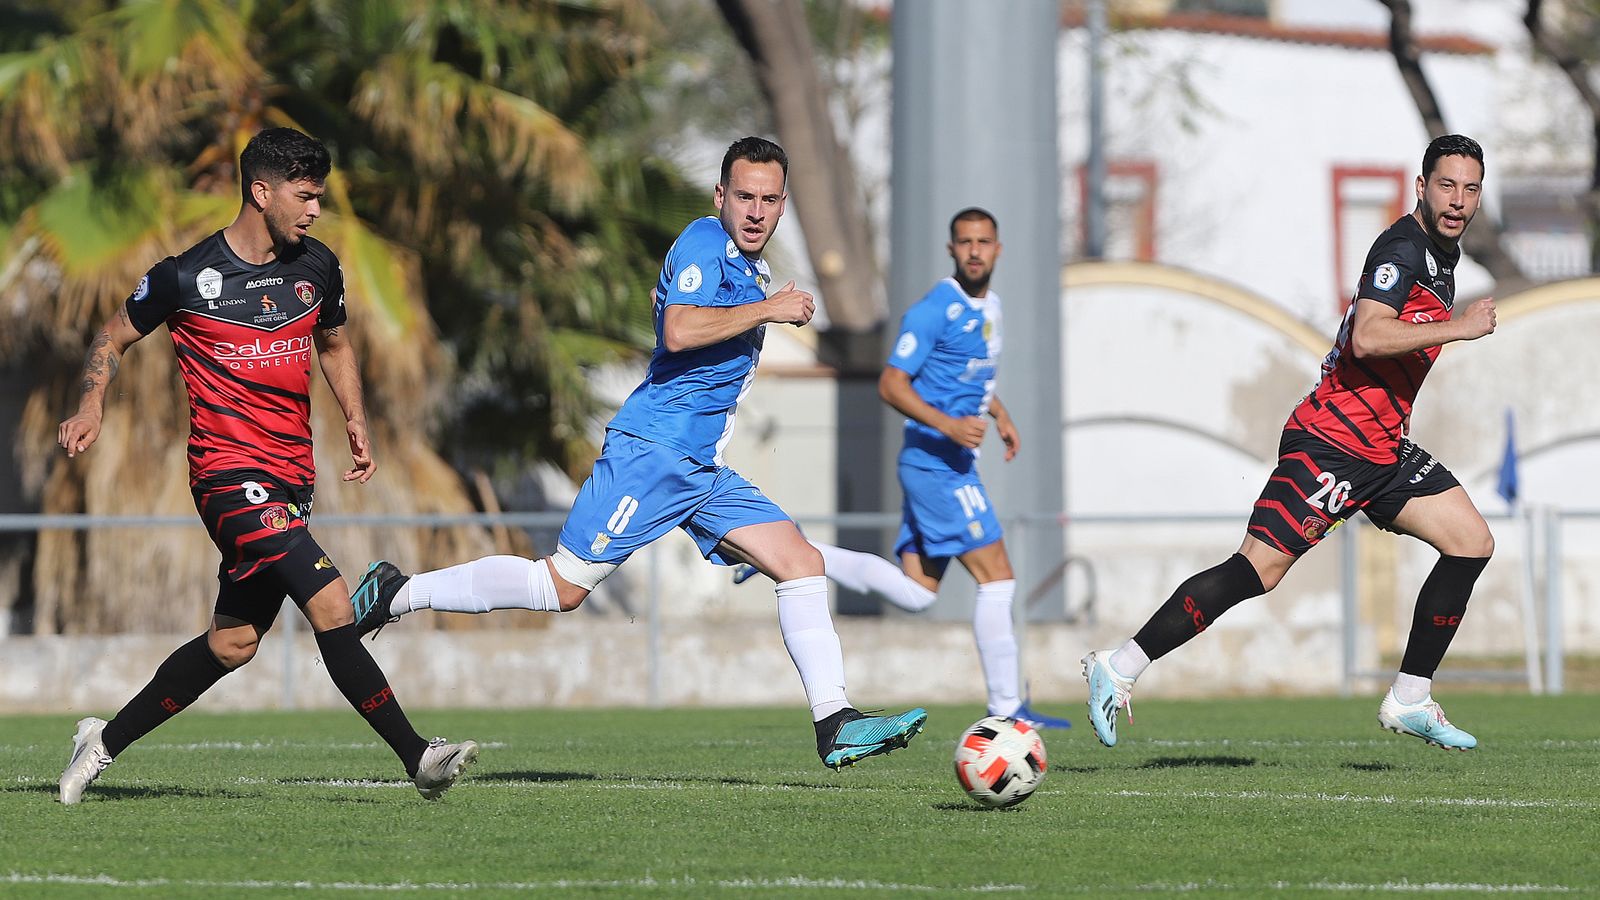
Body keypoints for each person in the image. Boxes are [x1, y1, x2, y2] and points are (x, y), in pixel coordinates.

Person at [349, 136, 928, 770]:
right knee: (562, 586)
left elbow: (690, 324)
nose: (755, 211)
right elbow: (678, 330)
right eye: (744, 197)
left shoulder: (748, 267)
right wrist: (769, 309)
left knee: (800, 562)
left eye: (768, 200)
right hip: (652, 455)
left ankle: (835, 722)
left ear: (783, 204)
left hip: (699, 467)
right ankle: (398, 592)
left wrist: (750, 301)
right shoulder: (705, 242)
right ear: (721, 196)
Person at [55, 128, 477, 804]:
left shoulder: (318, 267)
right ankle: (418, 757)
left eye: (319, 198)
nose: (315, 210)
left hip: (292, 479)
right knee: (331, 601)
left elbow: (334, 345)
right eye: (305, 196)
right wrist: (91, 404)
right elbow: (111, 336)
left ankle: (101, 741)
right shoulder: (184, 276)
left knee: (233, 644)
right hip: (225, 476)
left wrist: (355, 418)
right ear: (261, 192)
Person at [1083, 134, 1498, 751]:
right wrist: (1458, 328)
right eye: (1446, 185)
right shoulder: (1402, 249)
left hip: (1382, 450)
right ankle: (1118, 667)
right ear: (1421, 187)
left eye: (1470, 188)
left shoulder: (1443, 256)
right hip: (1333, 443)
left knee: (1470, 543)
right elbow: (1369, 336)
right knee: (1257, 570)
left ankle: (1410, 697)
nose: (1458, 200)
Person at [737, 208, 1070, 730]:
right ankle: (1007, 711)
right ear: (951, 249)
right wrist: (950, 426)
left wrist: (998, 414)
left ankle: (785, 548)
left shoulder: (991, 306)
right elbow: (892, 383)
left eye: (984, 242)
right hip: (937, 466)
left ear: (998, 249)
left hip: (948, 462)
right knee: (998, 577)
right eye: (965, 242)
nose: (975, 251)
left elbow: (965, 377)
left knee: (917, 593)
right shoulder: (934, 310)